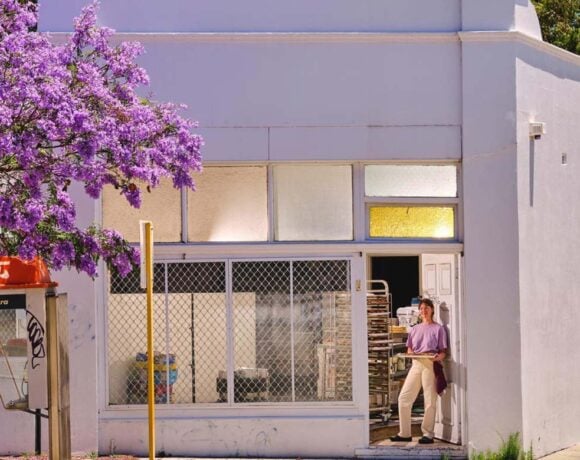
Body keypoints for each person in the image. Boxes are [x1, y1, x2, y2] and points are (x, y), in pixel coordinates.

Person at [390, 298, 447, 445]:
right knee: (403, 398)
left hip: (430, 363)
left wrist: (436, 359)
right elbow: (409, 348)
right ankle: (405, 433)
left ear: (432, 310)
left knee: (429, 401)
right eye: (421, 308)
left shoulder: (438, 329)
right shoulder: (415, 329)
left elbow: (443, 352)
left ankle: (428, 434)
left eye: (427, 308)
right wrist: (411, 354)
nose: (424, 310)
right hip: (416, 363)